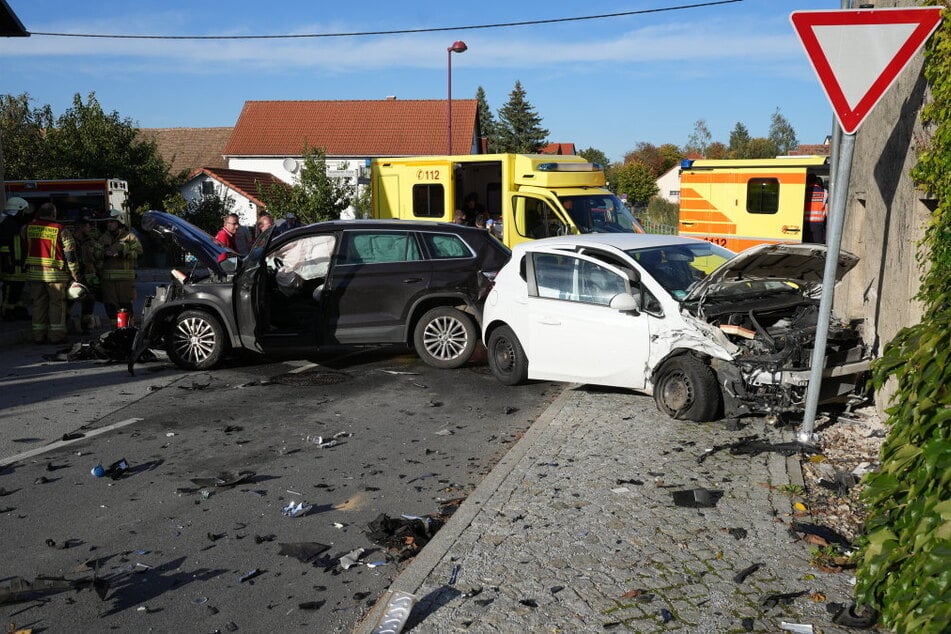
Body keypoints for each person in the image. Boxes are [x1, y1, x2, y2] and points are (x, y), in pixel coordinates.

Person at [23, 202, 81, 344]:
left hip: (34, 274)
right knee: (57, 305)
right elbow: (70, 254)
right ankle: (56, 336)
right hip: (56, 276)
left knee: (38, 304)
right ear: (53, 214)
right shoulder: (61, 230)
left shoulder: (26, 228)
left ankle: (38, 336)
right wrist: (75, 273)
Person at [99, 209, 143, 327]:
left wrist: (123, 253)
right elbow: (95, 254)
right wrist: (103, 254)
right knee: (110, 307)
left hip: (125, 281)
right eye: (108, 222)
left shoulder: (129, 237)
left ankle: (129, 330)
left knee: (126, 306)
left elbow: (139, 253)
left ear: (119, 222)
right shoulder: (103, 238)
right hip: (108, 281)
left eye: (112, 222)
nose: (109, 224)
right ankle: (115, 331)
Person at [1, 197, 32, 320]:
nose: (24, 213)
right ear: (18, 210)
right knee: (11, 291)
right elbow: (4, 247)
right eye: (23, 211)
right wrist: (6, 263)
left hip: (20, 266)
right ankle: (7, 313)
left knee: (20, 291)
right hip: (12, 266)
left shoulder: (16, 224)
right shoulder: (7, 225)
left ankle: (20, 311)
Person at [71, 216, 103, 334]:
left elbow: (99, 257)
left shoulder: (91, 241)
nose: (90, 229)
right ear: (81, 227)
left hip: (88, 278)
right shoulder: (70, 240)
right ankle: (65, 326)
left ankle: (85, 327)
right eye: (88, 226)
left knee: (89, 302)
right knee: (68, 301)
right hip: (72, 277)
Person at [804, 175, 828, 244]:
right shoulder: (825, 192)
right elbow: (827, 211)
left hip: (804, 223)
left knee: (805, 245)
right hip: (818, 224)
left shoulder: (803, 192)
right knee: (817, 246)